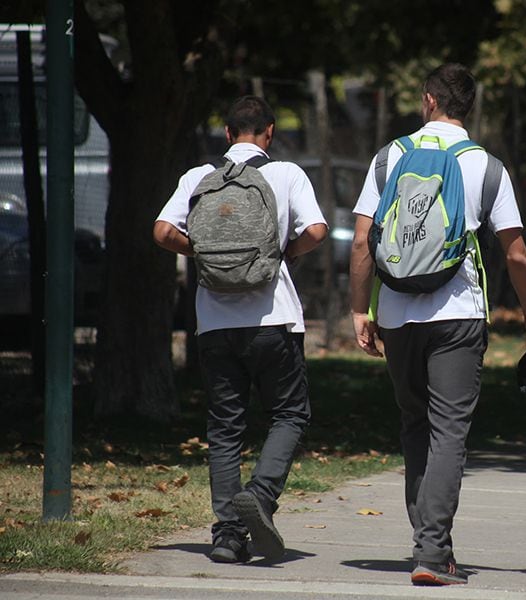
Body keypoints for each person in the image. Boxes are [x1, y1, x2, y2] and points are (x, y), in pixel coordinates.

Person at [348, 63, 526, 586]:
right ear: (467, 108)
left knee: (414, 426)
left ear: (428, 101)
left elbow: (360, 242)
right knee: (449, 431)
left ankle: (428, 545)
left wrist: (360, 308)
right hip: (459, 313)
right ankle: (432, 553)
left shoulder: (389, 157)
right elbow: (515, 254)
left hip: (396, 311)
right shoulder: (486, 167)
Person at [153, 96, 328, 563]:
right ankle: (261, 495)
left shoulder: (198, 178)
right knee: (291, 414)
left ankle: (228, 536)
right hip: (274, 320)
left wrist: (205, 254)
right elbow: (316, 230)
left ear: (228, 134)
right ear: (269, 133)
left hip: (214, 323)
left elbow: (163, 232)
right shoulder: (287, 174)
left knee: (225, 429)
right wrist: (281, 254)